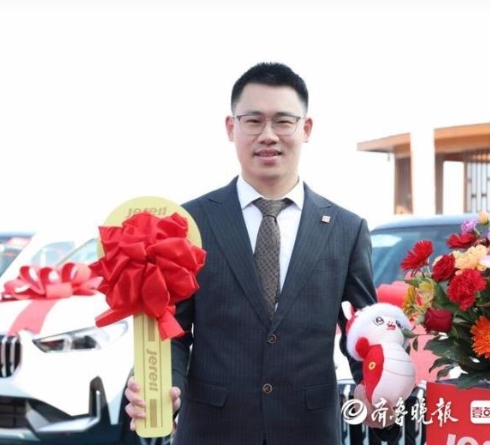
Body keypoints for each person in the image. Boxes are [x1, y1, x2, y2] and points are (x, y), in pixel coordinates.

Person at [124, 62, 398, 444]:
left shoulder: (346, 229)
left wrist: (377, 390)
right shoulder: (189, 224)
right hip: (212, 431)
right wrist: (164, 387)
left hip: (309, 431)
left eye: (283, 121)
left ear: (306, 128)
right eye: (253, 121)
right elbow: (174, 329)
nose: (268, 135)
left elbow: (361, 329)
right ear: (231, 127)